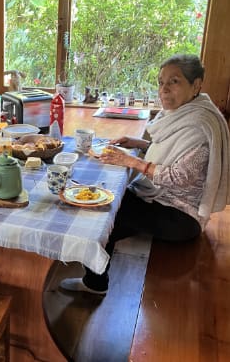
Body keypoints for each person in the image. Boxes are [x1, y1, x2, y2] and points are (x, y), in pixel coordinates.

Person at [61, 54, 230, 295]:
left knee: (103, 209)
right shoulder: (186, 111)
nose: (164, 89)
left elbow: (178, 176)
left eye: (174, 81)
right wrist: (137, 143)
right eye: (161, 82)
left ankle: (94, 282)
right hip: (161, 200)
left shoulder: (198, 125)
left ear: (196, 84)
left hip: (180, 216)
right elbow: (169, 150)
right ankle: (87, 257)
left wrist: (130, 160)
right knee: (103, 197)